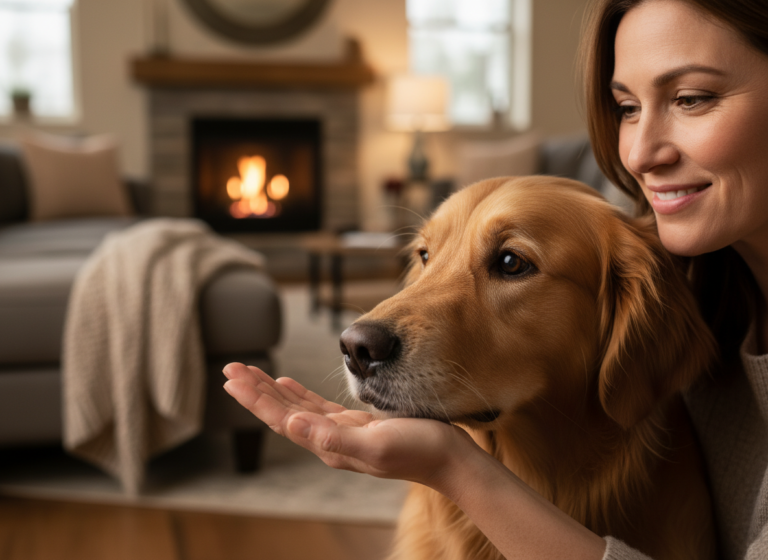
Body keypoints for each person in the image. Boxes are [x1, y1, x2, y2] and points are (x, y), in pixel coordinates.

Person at [223, 0, 768, 557]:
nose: (639, 154)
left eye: (691, 98)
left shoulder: (644, 277)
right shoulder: (709, 267)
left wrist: (455, 468)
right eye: (626, 106)